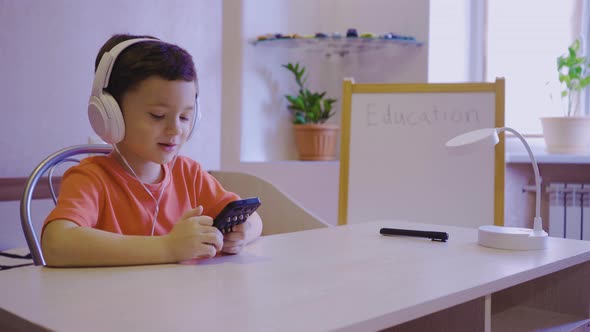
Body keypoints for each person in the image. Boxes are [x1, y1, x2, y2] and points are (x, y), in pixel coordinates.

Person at [41, 34, 263, 267]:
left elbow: (253, 219)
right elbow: (56, 244)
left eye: (186, 116)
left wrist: (242, 233)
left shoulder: (189, 174)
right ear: (110, 113)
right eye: (158, 116)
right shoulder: (91, 178)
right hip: (115, 301)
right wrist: (168, 247)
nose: (175, 129)